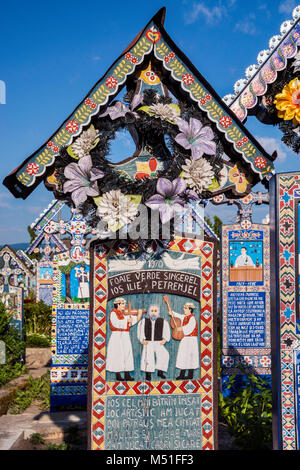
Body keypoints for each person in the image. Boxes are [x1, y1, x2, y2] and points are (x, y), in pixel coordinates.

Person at [106, 297, 144, 381]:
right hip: (117, 335)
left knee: (127, 353)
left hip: (125, 335)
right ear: (118, 304)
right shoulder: (113, 313)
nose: (124, 305)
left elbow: (131, 321)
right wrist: (127, 320)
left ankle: (127, 374)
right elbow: (116, 323)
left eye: (124, 304)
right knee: (117, 354)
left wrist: (139, 314)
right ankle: (118, 375)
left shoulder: (124, 314)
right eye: (122, 304)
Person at [137, 304, 170, 381]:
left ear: (158, 312)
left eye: (155, 311)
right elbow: (140, 331)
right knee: (148, 357)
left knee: (164, 355)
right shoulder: (144, 321)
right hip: (148, 342)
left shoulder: (163, 321)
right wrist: (142, 340)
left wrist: (165, 339)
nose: (153, 313)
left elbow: (167, 331)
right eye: (152, 311)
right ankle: (148, 374)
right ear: (149, 312)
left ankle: (160, 371)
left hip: (158, 342)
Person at [168, 302, 199, 380]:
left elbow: (189, 328)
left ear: (190, 310)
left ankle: (190, 374)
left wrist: (181, 328)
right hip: (185, 339)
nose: (184, 310)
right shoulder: (185, 317)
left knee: (190, 357)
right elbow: (178, 316)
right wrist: (172, 312)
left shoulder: (192, 318)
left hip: (191, 340)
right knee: (183, 356)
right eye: (184, 308)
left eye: (185, 308)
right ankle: (182, 374)